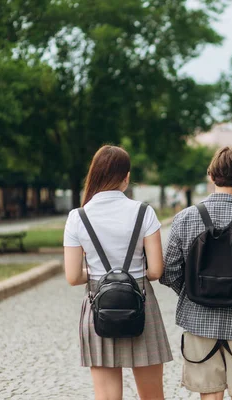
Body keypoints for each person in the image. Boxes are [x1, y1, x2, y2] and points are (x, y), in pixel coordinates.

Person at [161, 146, 232, 400]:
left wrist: (195, 289)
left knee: (210, 395)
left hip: (198, 319)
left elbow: (168, 271)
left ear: (211, 176)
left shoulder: (184, 219)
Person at [63, 145, 172, 400]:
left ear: (96, 175)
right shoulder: (144, 212)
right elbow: (156, 270)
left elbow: (72, 276)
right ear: (126, 177)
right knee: (152, 395)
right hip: (141, 303)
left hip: (98, 305)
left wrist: (98, 273)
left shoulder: (78, 217)